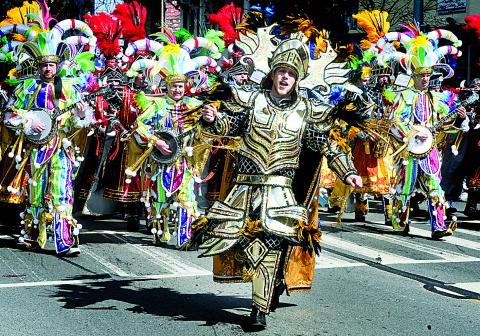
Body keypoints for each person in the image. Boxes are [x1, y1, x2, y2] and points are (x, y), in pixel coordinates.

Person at [194, 36, 362, 328]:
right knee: (240, 242)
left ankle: (259, 308)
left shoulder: (306, 112)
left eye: (292, 74)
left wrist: (347, 170)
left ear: (298, 79)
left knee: (268, 244)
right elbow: (228, 126)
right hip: (245, 189)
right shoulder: (252, 102)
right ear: (272, 74)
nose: (286, 77)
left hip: (281, 192)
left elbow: (326, 145)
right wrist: (211, 119)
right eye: (281, 71)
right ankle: (265, 289)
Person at [3, 31, 95, 254]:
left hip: (62, 149)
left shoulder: (70, 89)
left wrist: (82, 115)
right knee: (35, 194)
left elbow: (79, 121)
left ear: (57, 66)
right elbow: (9, 114)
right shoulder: (27, 89)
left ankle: (64, 240)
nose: (48, 69)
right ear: (38, 66)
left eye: (51, 65)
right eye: (44, 65)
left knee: (62, 192)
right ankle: (33, 236)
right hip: (36, 150)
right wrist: (28, 120)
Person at [376, 26, 465, 239]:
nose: (425, 79)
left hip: (429, 151)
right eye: (421, 75)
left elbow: (446, 122)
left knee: (435, 188)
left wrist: (460, 117)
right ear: (413, 74)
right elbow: (395, 121)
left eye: (428, 74)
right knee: (404, 188)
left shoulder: (436, 98)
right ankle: (400, 221)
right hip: (409, 151)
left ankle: (439, 226)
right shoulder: (404, 95)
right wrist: (412, 134)